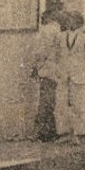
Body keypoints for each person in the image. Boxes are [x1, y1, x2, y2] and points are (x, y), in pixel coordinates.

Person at [25, 10, 62, 142]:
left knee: (45, 100)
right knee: (49, 100)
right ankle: (49, 129)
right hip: (53, 68)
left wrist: (36, 65)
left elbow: (39, 51)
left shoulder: (45, 31)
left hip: (46, 68)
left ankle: (45, 130)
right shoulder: (56, 30)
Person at [56, 10, 85, 141]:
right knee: (62, 104)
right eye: (68, 19)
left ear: (78, 22)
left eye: (72, 19)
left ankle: (76, 133)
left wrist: (82, 68)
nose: (69, 22)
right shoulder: (60, 36)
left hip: (79, 75)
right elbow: (57, 55)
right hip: (64, 74)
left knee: (78, 104)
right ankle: (64, 132)